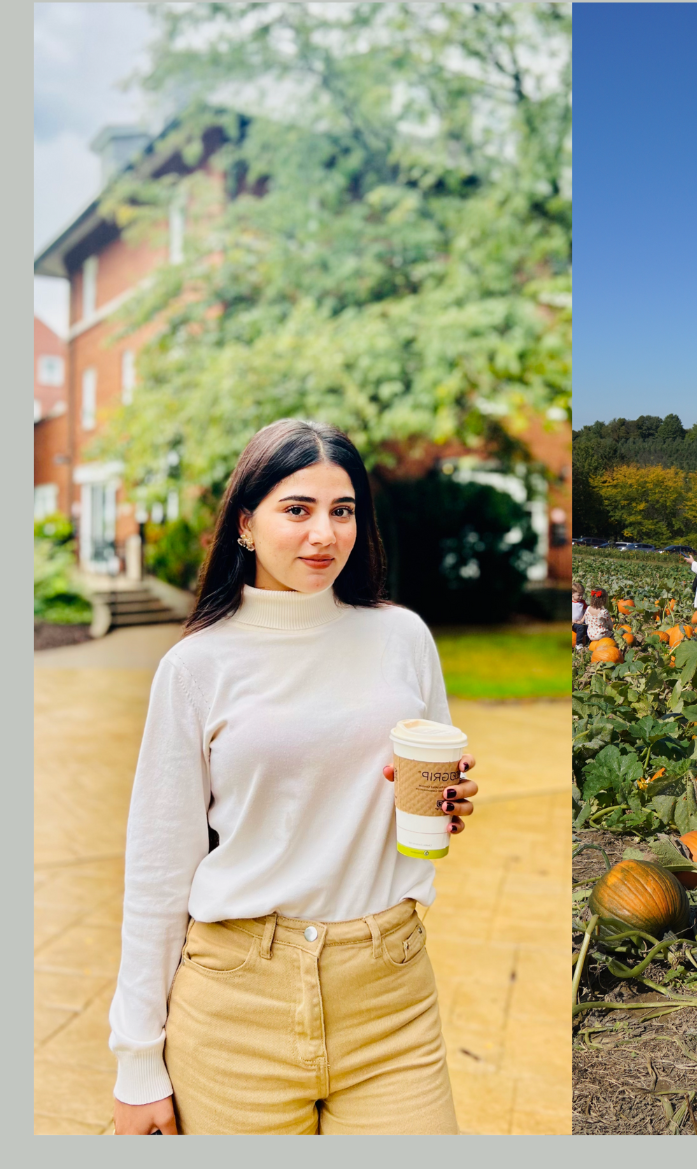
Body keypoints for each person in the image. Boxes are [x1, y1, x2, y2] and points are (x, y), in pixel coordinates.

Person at [108, 419, 478, 1135]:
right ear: (246, 524)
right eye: (297, 510)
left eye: (342, 511)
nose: (324, 534)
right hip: (237, 1006)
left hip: (389, 995)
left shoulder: (402, 637)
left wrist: (447, 803)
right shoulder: (196, 668)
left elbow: (420, 786)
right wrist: (136, 1063)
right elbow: (157, 873)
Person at [571, 581, 588, 647]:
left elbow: (585, 612)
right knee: (580, 628)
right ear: (572, 594)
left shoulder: (582, 602)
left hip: (580, 621)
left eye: (582, 595)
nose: (581, 597)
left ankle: (587, 643)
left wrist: (581, 620)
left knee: (587, 627)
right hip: (572, 622)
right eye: (579, 595)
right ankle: (579, 644)